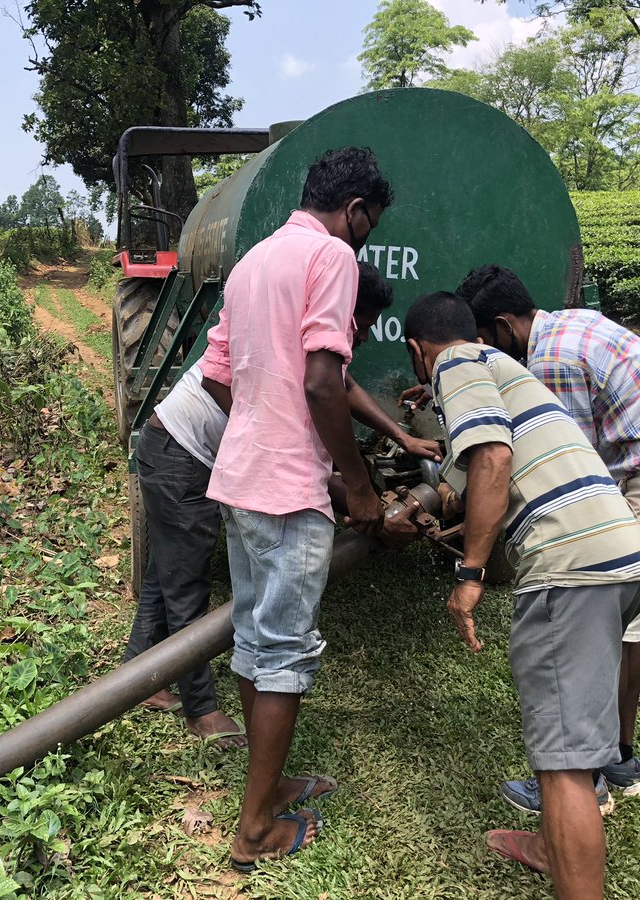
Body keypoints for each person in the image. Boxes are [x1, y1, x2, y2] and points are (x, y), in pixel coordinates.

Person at [125, 261, 439, 751]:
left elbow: (346, 387)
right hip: (179, 452)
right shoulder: (306, 348)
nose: (367, 336)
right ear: (345, 310)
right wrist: (366, 505)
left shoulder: (312, 343)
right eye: (365, 323)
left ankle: (143, 675)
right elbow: (297, 454)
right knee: (185, 581)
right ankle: (200, 710)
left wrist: (397, 434)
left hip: (169, 444)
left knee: (168, 570)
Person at [403, 290, 640, 899]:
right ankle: (547, 847)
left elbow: (491, 458)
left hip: (569, 566)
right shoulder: (506, 367)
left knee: (563, 765)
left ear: (417, 351)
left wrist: (470, 574)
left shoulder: (454, 364)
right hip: (621, 552)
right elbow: (496, 476)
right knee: (574, 735)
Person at [454, 265, 640, 809]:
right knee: (624, 622)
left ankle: (591, 779)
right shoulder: (570, 324)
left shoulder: (553, 360)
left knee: (599, 623)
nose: (487, 354)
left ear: (505, 326)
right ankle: (619, 761)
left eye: (487, 342)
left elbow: (573, 467)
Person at [200, 147, 399, 872]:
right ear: (354, 211)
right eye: (368, 223)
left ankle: (271, 784)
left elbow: (220, 376)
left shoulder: (254, 261)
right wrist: (359, 484)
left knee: (255, 641)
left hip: (240, 478)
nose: (365, 235)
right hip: (288, 492)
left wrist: (261, 417)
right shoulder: (333, 258)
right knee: (282, 652)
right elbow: (323, 380)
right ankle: (254, 830)